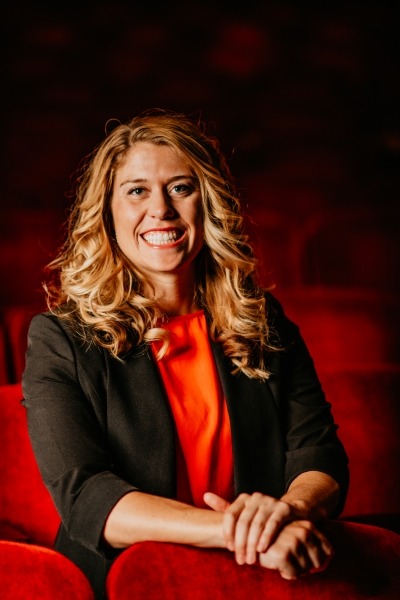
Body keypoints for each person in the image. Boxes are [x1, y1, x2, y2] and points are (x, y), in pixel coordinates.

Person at [22, 109, 349, 599]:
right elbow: (87, 498)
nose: (161, 210)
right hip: (123, 583)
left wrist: (292, 511)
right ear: (107, 213)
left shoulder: (264, 320)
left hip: (254, 580)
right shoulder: (60, 339)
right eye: (136, 190)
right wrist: (241, 534)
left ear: (208, 202)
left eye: (180, 187)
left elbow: (318, 454)